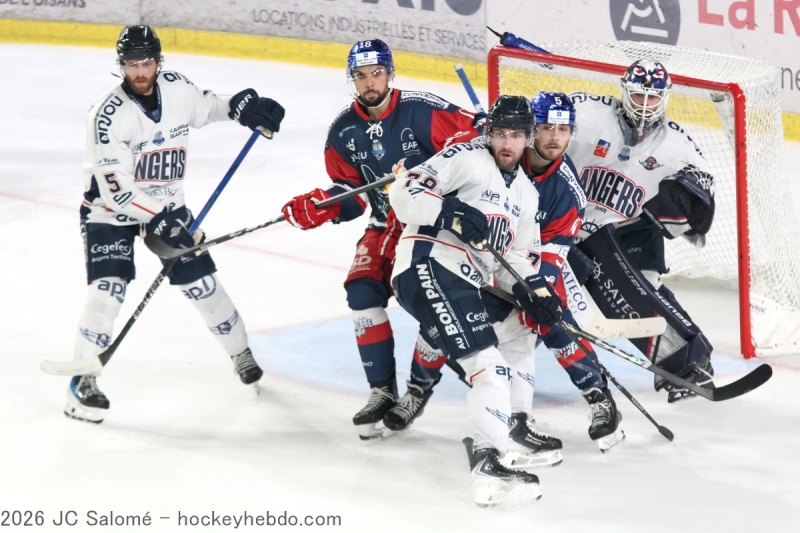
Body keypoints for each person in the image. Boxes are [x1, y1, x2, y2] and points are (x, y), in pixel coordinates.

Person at [65, 25, 285, 423]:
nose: (140, 71)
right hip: (110, 212)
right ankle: (82, 384)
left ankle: (241, 354)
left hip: (167, 206)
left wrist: (242, 106)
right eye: (132, 64)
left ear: (158, 61)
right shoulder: (107, 115)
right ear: (121, 66)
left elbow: (210, 105)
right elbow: (117, 191)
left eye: (146, 62)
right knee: (108, 292)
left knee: (202, 285)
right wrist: (161, 220)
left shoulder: (177, 89)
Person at [281, 39, 482, 439]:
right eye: (361, 75)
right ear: (351, 79)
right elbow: (351, 197)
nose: (370, 82)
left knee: (435, 303)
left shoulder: (422, 109)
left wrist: (476, 134)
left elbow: (479, 141)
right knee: (361, 291)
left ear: (390, 73)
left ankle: (417, 392)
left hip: (433, 224)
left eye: (376, 73)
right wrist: (323, 207)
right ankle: (381, 391)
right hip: (383, 223)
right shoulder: (343, 131)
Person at [388, 95, 563, 505]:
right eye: (500, 133)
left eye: (516, 136)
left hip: (468, 282)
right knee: (487, 366)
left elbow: (515, 259)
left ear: (529, 139)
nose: (507, 143)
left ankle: (511, 430)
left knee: (520, 327)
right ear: (489, 134)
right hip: (430, 266)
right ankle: (489, 464)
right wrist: (447, 210)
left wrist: (532, 290)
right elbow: (403, 192)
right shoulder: (465, 156)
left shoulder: (526, 193)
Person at [566, 59, 717, 403]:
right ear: (624, 90)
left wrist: (693, 197)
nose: (644, 104)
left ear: (665, 98)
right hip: (567, 223)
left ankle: (687, 367)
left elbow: (699, 209)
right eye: (638, 95)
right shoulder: (586, 113)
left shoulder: (678, 146)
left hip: (628, 230)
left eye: (652, 98)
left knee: (642, 291)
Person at [517, 91, 624, 449]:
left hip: (532, 259)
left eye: (563, 129)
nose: (555, 138)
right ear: (531, 128)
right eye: (547, 127)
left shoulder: (568, 192)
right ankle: (415, 392)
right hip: (486, 253)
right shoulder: (503, 155)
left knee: (551, 319)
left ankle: (598, 397)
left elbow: (553, 253)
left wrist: (539, 288)